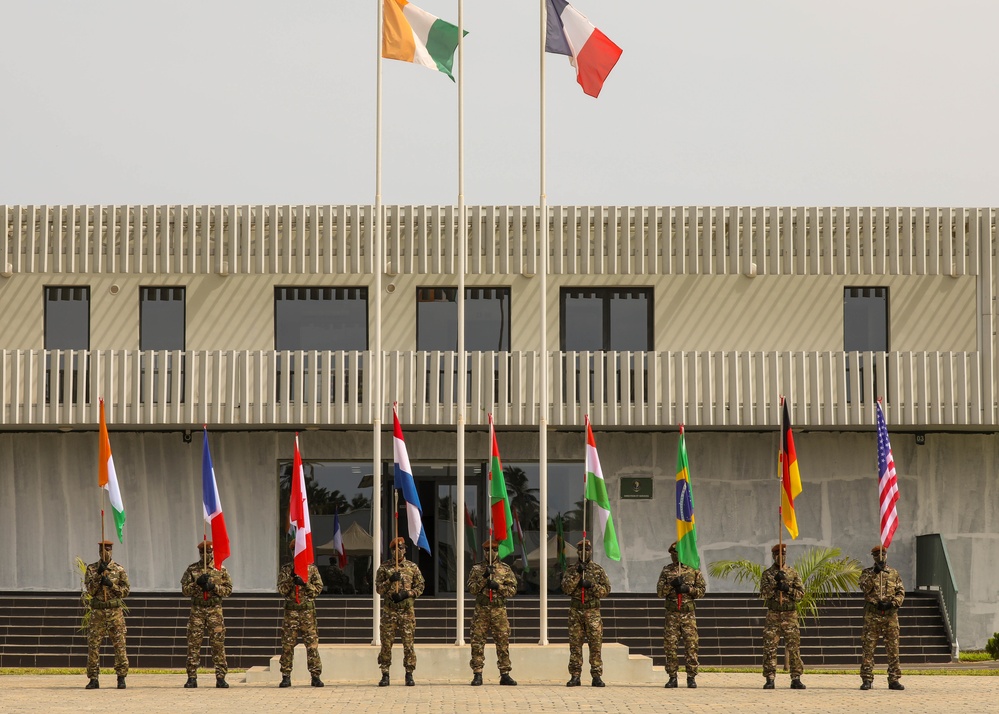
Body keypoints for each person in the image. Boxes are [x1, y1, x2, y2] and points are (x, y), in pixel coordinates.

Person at [180, 540, 233, 688]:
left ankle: (221, 677)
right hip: (197, 610)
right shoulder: (192, 570)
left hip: (214, 610)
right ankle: (192, 677)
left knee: (218, 644)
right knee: (194, 644)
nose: (206, 555)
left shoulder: (220, 569)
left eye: (209, 552)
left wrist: (213, 587)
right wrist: (196, 583)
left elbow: (228, 590)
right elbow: (185, 590)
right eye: (203, 552)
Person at [467, 538, 518, 686]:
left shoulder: (505, 569)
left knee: (502, 642)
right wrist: (484, 579)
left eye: (494, 550)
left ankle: (505, 673)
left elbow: (513, 590)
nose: (490, 553)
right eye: (487, 550)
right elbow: (472, 589)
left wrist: (498, 587)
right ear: (484, 552)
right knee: (477, 642)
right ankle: (477, 673)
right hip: (482, 609)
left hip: (498, 610)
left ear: (497, 551)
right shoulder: (477, 569)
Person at [374, 536, 425, 686]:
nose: (398, 551)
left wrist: (407, 594)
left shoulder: (412, 567)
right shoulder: (384, 568)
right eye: (395, 549)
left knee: (408, 644)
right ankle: (385, 674)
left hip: (406, 611)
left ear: (405, 550)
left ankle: (409, 674)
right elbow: (378, 589)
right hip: (390, 611)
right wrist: (390, 581)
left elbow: (420, 586)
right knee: (386, 644)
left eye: (401, 548)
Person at [561, 538, 612, 687]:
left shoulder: (597, 570)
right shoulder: (571, 569)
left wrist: (591, 586)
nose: (584, 552)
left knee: (595, 644)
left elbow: (606, 590)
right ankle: (575, 675)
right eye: (581, 549)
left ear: (591, 551)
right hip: (576, 611)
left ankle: (596, 675)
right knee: (575, 645)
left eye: (587, 550)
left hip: (592, 611)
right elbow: (566, 589)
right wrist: (577, 575)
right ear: (577, 551)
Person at [656, 541, 707, 689]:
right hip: (672, 614)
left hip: (688, 615)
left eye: (677, 553)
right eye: (673, 554)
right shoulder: (667, 571)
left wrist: (687, 589)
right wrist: (671, 585)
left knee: (691, 646)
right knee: (670, 647)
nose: (674, 556)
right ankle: (672, 677)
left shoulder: (693, 570)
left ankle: (691, 677)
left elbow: (701, 591)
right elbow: (660, 593)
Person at [83, 540, 130, 690]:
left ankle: (121, 677)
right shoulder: (92, 569)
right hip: (98, 613)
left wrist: (111, 585)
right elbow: (90, 590)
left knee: (120, 645)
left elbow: (126, 591)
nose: (106, 552)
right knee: (94, 646)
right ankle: (93, 678)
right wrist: (98, 576)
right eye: (103, 550)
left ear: (112, 551)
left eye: (108, 549)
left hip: (114, 612)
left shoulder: (119, 569)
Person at [859, 545, 905, 691]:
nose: (880, 557)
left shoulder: (893, 573)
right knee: (868, 649)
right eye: (877, 555)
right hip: (873, 615)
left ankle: (894, 679)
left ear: (886, 555)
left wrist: (892, 603)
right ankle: (867, 679)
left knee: (893, 649)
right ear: (872, 557)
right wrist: (874, 574)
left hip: (890, 616)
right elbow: (864, 588)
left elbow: (900, 592)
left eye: (883, 554)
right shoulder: (867, 573)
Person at [277, 548, 325, 688]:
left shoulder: (312, 569)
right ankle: (286, 676)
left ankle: (315, 676)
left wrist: (305, 583)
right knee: (287, 645)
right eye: (294, 550)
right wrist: (291, 580)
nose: (296, 552)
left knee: (312, 646)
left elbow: (318, 589)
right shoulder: (286, 569)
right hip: (291, 612)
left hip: (307, 613)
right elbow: (281, 590)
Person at [760, 543, 805, 690]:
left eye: (784, 554)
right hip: (774, 614)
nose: (781, 557)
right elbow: (764, 594)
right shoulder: (767, 574)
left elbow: (801, 595)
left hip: (790, 614)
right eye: (778, 555)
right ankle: (770, 678)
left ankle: (796, 677)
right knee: (770, 647)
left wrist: (787, 588)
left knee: (794, 647)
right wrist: (775, 584)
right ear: (774, 556)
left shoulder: (793, 573)